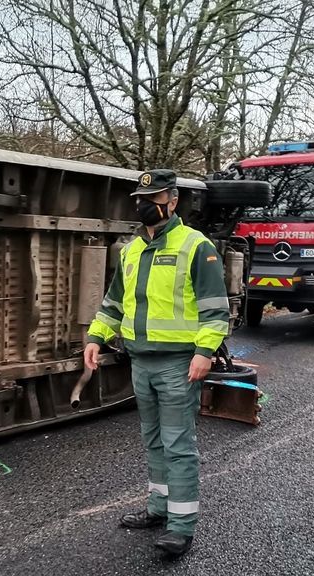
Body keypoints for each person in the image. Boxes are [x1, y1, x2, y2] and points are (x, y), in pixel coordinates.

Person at [84, 169, 230, 558]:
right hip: (141, 361)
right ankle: (158, 509)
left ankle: (181, 526)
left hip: (179, 363)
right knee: (152, 440)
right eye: (140, 198)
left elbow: (216, 309)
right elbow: (114, 302)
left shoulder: (196, 246)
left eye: (154, 197)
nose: (144, 204)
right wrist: (96, 336)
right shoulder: (131, 250)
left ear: (174, 200)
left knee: (178, 444)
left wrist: (204, 352)